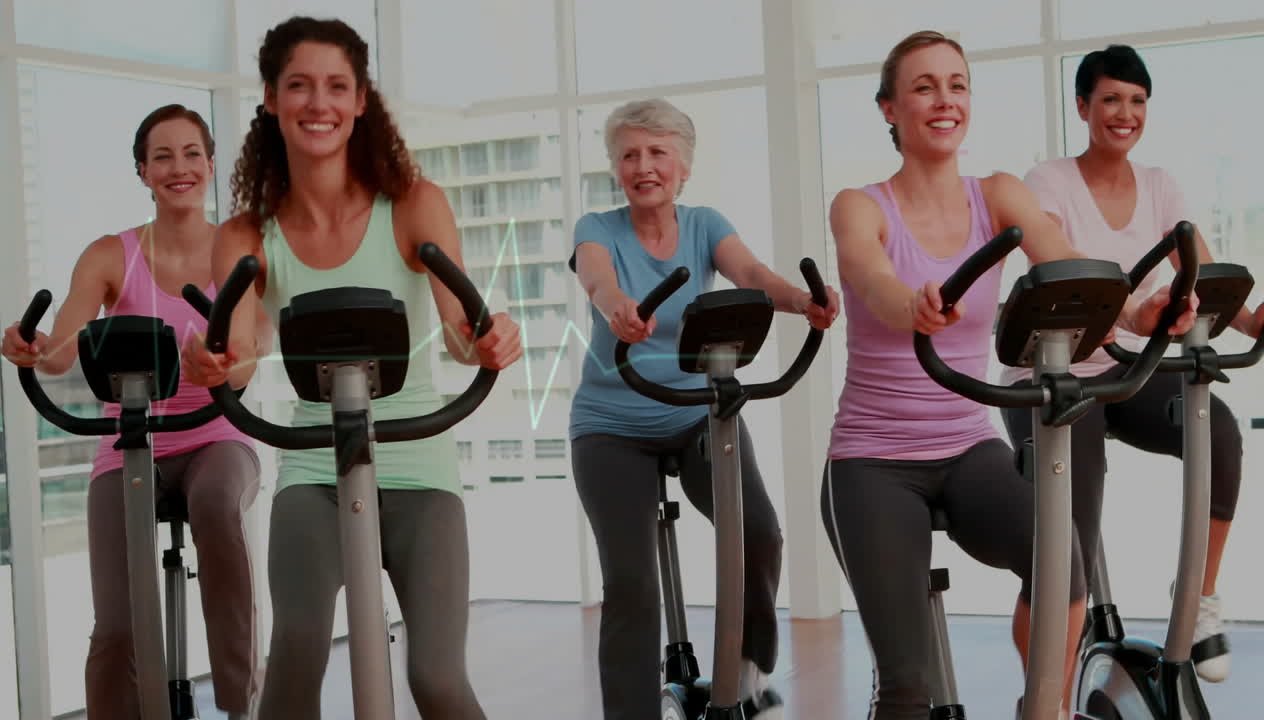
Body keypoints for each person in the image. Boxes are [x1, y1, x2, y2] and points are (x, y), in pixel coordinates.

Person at [820, 31, 1197, 719]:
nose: (944, 100)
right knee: (908, 687)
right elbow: (871, 281)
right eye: (924, 86)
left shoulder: (998, 195)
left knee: (1065, 567)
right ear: (888, 108)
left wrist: (1140, 315)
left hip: (967, 445)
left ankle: (1043, 708)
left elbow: (1069, 266)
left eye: (957, 85)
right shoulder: (860, 204)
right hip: (873, 459)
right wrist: (912, 303)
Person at [178, 16, 521, 720]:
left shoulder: (413, 205)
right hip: (314, 469)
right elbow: (239, 357)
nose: (319, 103)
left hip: (418, 465)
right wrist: (214, 363)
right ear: (272, 99)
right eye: (299, 85)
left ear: (361, 100)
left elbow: (461, 332)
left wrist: (485, 342)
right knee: (297, 654)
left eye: (337, 86)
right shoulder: (246, 234)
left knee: (435, 676)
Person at [568, 97, 840, 720]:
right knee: (631, 584)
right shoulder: (596, 228)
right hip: (611, 425)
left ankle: (745, 676)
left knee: (760, 536)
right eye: (629, 154)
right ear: (615, 166)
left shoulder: (704, 224)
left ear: (683, 166)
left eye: (658, 153)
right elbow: (598, 278)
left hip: (696, 412)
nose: (644, 166)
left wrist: (803, 301)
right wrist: (617, 308)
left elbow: (751, 274)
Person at [1000, 44, 1263, 684]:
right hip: (1057, 378)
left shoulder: (1161, 185)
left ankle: (1196, 599)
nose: (1126, 113)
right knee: (1067, 556)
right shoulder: (1049, 182)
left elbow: (1202, 271)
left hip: (1131, 369)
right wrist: (1130, 316)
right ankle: (1048, 696)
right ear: (1083, 106)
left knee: (1219, 431)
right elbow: (1058, 270)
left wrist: (1255, 320)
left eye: (1138, 101)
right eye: (1111, 99)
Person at [0, 104, 262, 720]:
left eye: (192, 153)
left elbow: (245, 357)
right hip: (130, 442)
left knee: (219, 506)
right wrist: (29, 348)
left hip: (214, 436)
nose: (179, 168)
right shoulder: (110, 255)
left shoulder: (236, 251)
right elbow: (62, 352)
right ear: (142, 172)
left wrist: (224, 369)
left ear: (211, 163)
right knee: (115, 626)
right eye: (163, 156)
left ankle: (240, 703)